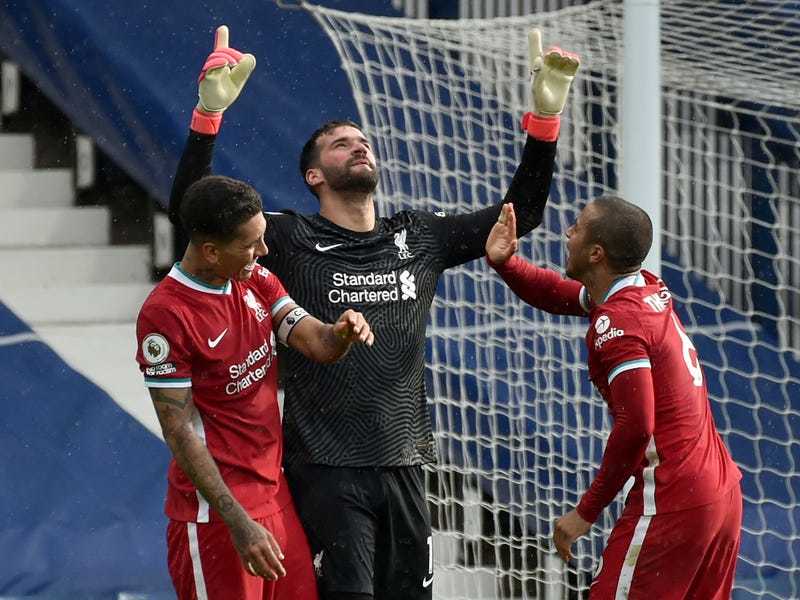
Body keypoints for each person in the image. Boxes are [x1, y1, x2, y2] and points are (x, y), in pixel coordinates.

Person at [169, 25, 579, 600]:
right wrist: (207, 117)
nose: (358, 146)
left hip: (407, 463)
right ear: (313, 176)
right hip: (324, 470)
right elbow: (198, 217)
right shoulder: (289, 239)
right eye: (340, 144)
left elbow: (522, 214)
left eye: (362, 141)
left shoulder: (420, 236)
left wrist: (544, 121)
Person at [484, 198, 743, 598]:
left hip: (674, 498)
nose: (568, 232)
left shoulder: (619, 322)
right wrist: (507, 263)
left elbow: (638, 425)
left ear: (596, 253)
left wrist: (586, 512)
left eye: (577, 227)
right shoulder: (646, 289)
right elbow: (559, 294)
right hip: (720, 493)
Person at [136, 174, 374, 600]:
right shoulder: (167, 314)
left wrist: (342, 332)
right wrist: (238, 523)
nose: (262, 253)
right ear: (210, 251)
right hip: (218, 517)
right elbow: (178, 430)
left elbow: (317, 343)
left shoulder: (254, 280)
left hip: (275, 497)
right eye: (251, 245)